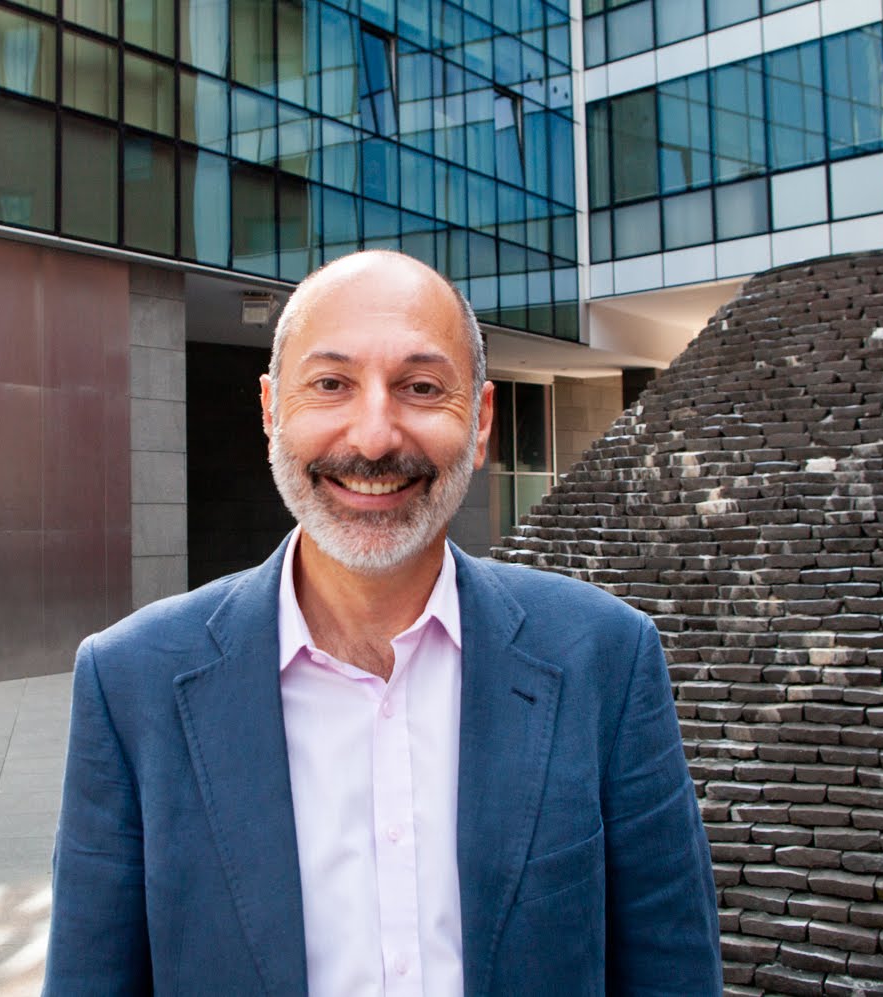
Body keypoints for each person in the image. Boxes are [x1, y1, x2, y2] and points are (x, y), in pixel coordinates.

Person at [43, 251, 721, 995]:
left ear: (481, 420)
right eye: (330, 384)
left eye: (421, 387)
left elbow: (672, 972)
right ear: (271, 412)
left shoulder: (607, 657)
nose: (373, 439)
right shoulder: (129, 682)